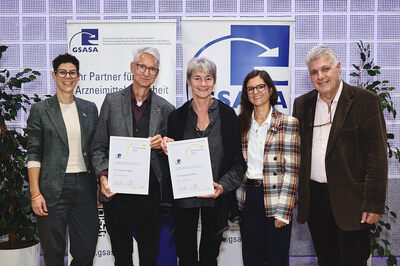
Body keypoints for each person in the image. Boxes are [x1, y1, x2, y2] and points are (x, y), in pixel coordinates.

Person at [292, 45, 388, 266]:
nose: (320, 76)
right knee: (327, 260)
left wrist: (373, 203)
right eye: (314, 72)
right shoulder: (302, 104)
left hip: (353, 203)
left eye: (325, 69)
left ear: (338, 68)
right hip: (316, 200)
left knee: (354, 260)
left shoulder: (365, 101)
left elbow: (377, 157)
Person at [91, 47, 175, 266]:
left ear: (157, 74)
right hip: (117, 192)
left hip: (151, 195)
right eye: (142, 67)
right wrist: (103, 177)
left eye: (152, 69)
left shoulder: (166, 109)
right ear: (132, 68)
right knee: (122, 255)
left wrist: (166, 145)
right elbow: (98, 146)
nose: (146, 72)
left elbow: (174, 156)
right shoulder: (111, 101)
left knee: (149, 255)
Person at [161, 57, 246, 266]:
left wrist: (223, 186)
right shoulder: (176, 117)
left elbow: (238, 162)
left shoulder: (228, 116)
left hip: (215, 197)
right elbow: (169, 162)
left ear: (214, 81)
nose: (203, 84)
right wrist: (166, 148)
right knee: (186, 256)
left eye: (208, 78)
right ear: (188, 81)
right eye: (197, 78)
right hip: (184, 198)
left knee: (210, 256)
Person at [26, 53, 99, 265]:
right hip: (51, 189)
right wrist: (34, 193)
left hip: (84, 187)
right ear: (54, 75)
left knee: (85, 251)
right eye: (62, 72)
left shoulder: (89, 109)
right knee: (53, 253)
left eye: (72, 73)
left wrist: (99, 183)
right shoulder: (41, 110)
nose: (68, 77)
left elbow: (96, 149)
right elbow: (34, 153)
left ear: (78, 77)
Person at [236, 70, 300, 266]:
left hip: (275, 199)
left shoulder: (288, 123)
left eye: (261, 87)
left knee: (276, 259)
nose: (256, 92)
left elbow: (292, 171)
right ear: (246, 94)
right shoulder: (240, 123)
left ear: (270, 90)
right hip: (248, 199)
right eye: (250, 89)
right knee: (251, 259)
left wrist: (284, 211)